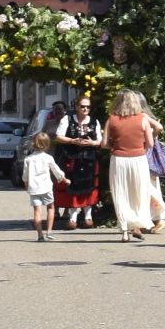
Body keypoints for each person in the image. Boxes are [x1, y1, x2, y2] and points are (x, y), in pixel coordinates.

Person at [105, 89, 158, 244]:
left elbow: (104, 143)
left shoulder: (112, 119)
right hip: (138, 159)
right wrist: (139, 146)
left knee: (120, 194)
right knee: (139, 193)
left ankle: (124, 231)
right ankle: (137, 225)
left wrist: (114, 146)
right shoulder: (143, 119)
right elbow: (150, 143)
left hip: (118, 160)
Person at [53, 95, 105, 231]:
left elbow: (100, 140)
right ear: (76, 107)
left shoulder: (94, 121)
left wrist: (92, 143)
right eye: (82, 106)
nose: (85, 109)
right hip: (72, 158)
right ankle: (73, 218)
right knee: (73, 187)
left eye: (88, 107)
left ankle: (88, 217)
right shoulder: (67, 119)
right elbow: (58, 136)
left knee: (89, 186)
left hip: (89, 158)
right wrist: (73, 141)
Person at [23, 132, 63, 241]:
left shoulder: (28, 159)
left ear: (33, 143)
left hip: (34, 188)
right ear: (47, 144)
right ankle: (49, 231)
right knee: (50, 207)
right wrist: (62, 178)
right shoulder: (48, 158)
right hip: (46, 187)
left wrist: (26, 184)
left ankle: (40, 235)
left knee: (37, 210)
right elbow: (56, 170)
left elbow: (25, 175)